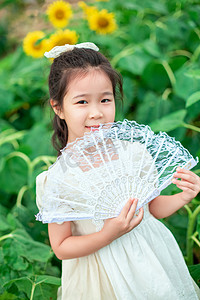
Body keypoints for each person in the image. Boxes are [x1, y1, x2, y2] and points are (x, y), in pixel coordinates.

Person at [36, 42, 200, 300]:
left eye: (105, 99)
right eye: (81, 102)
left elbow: (151, 209)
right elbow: (62, 247)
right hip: (100, 276)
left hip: (151, 261)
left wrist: (182, 197)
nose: (96, 113)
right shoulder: (58, 180)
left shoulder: (134, 154)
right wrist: (107, 234)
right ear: (58, 108)